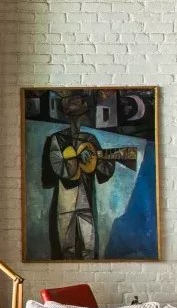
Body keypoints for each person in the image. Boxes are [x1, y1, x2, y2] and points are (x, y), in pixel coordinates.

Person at [39, 90, 134, 260]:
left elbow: (103, 167)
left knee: (89, 245)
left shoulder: (89, 138)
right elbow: (56, 166)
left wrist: (97, 159)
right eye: (73, 115)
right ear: (66, 115)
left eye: (80, 115)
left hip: (85, 197)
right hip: (65, 198)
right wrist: (77, 157)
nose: (77, 119)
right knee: (66, 245)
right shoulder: (57, 139)